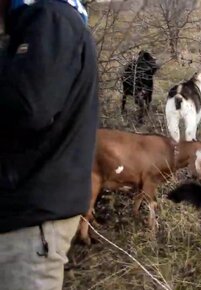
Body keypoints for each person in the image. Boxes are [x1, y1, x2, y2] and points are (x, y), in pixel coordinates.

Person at [0, 0, 98, 288]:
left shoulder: (52, 18)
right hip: (22, 215)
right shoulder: (38, 22)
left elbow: (31, 105)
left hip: (31, 223)